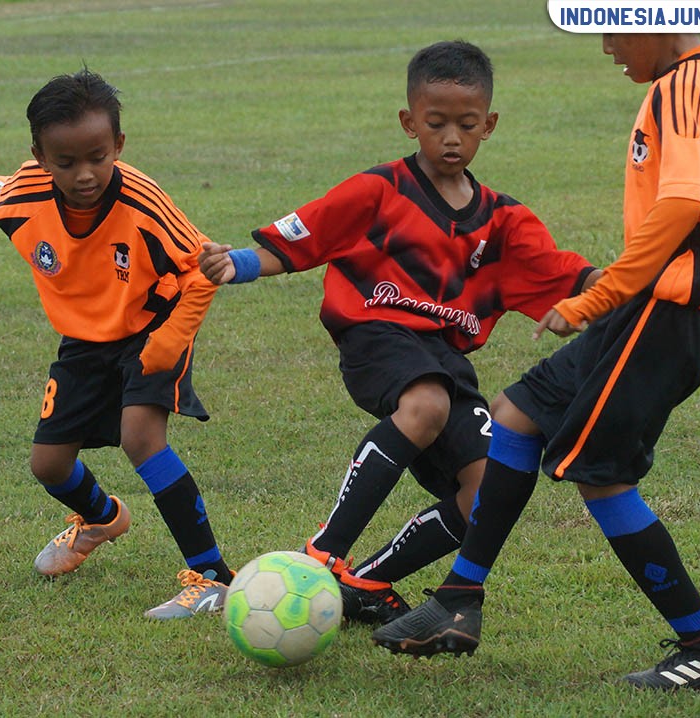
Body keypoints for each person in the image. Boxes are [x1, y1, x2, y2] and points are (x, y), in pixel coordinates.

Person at [373, 34, 700, 692]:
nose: (604, 43)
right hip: (654, 309)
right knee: (514, 417)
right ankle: (460, 598)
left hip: (664, 315)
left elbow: (686, 206)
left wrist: (594, 299)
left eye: (610, 24)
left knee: (603, 477)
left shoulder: (681, 90)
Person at [199, 40, 598, 625]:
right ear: (410, 122)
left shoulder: (504, 221)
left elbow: (560, 269)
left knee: (491, 486)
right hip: (375, 336)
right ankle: (323, 553)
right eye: (436, 124)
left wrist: (621, 285)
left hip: (443, 356)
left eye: (466, 125)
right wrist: (241, 263)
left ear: (489, 125)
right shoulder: (379, 191)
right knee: (426, 402)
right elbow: (307, 235)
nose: (452, 139)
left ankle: (368, 579)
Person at [0, 69, 235, 619]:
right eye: (66, 162)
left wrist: (168, 344)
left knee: (140, 438)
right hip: (84, 339)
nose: (85, 173)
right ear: (40, 157)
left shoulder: (144, 203)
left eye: (97, 156)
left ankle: (212, 577)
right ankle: (99, 517)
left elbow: (202, 269)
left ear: (118, 144)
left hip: (150, 327)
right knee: (48, 465)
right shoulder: (23, 194)